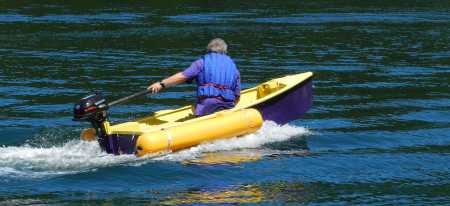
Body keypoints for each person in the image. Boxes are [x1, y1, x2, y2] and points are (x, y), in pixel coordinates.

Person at [148, 38, 240, 116]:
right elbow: (237, 97)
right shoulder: (234, 69)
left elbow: (182, 76)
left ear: (208, 50)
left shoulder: (201, 63)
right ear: (225, 51)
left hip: (207, 106)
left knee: (197, 106)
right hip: (228, 106)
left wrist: (161, 84)